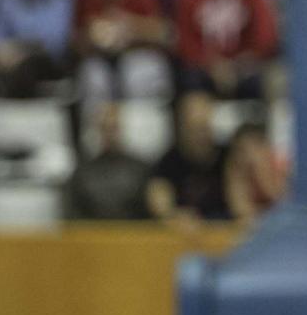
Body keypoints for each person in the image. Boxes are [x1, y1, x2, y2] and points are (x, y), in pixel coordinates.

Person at [146, 90, 231, 223]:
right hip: (185, 234)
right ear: (182, 125)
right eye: (194, 128)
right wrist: (172, 215)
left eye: (204, 127)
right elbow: (158, 198)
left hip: (225, 230)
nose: (200, 136)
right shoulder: (169, 161)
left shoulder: (228, 156)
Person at [63, 100, 153, 221]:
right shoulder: (82, 173)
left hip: (133, 236)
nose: (110, 134)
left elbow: (152, 212)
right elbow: (72, 216)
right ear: (97, 130)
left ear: (122, 129)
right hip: (94, 237)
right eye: (105, 128)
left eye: (114, 127)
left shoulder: (141, 169)